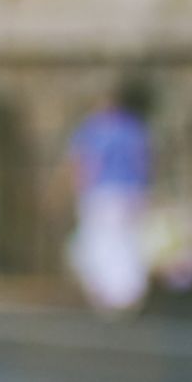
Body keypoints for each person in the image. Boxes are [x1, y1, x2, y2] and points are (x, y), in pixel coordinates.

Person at [65, 79, 155, 316]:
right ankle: (130, 293)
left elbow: (83, 163)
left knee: (101, 242)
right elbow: (142, 160)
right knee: (127, 242)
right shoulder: (132, 127)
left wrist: (78, 188)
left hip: (101, 193)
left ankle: (109, 294)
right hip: (129, 192)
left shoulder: (92, 128)